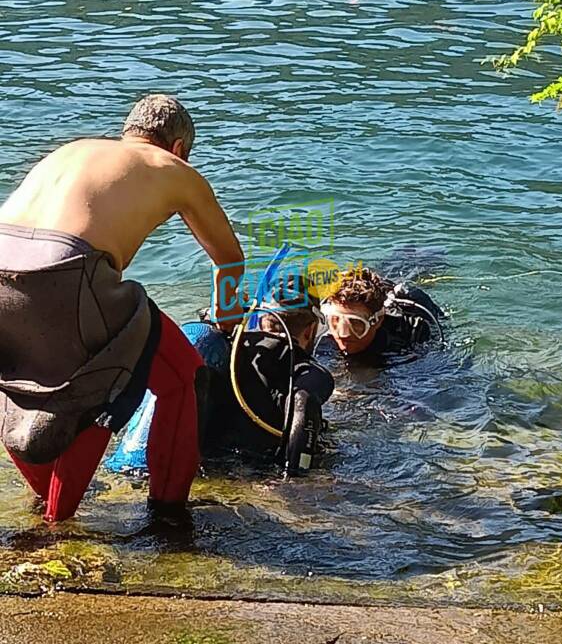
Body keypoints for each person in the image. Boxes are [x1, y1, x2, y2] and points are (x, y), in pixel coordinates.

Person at [0, 94, 244, 525]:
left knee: (16, 380)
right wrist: (226, 318)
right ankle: (154, 514)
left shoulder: (72, 150)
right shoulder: (174, 168)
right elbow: (228, 258)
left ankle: (44, 499)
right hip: (69, 273)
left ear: (128, 131)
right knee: (146, 381)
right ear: (180, 147)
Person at [201, 275, 334, 474]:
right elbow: (303, 400)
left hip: (207, 459)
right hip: (256, 468)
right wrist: (295, 475)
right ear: (310, 330)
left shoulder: (229, 347)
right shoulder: (309, 371)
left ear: (262, 321)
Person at [320, 267, 443, 362]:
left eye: (355, 322)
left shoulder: (411, 334)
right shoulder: (321, 334)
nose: (343, 333)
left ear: (378, 321)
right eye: (335, 320)